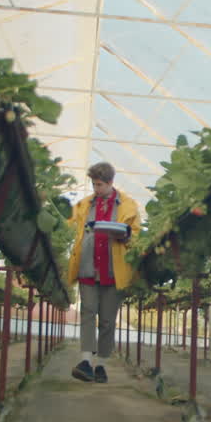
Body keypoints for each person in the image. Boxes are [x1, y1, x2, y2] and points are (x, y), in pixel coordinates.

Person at [66, 162, 141, 383]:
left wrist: (125, 235)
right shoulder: (84, 205)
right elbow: (69, 224)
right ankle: (86, 361)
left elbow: (135, 235)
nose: (96, 189)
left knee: (108, 320)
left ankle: (101, 366)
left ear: (110, 183)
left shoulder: (128, 206)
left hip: (114, 270)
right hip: (88, 267)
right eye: (94, 184)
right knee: (88, 311)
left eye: (99, 185)